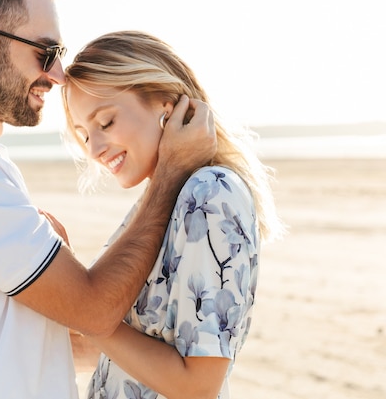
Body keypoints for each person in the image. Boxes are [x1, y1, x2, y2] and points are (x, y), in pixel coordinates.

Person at [0, 0, 217, 398]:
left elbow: (33, 345)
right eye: (46, 52)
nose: (58, 75)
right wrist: (171, 172)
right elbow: (94, 312)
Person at [61, 31, 285, 399]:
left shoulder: (211, 193)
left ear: (167, 105)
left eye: (105, 123)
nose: (95, 149)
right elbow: (118, 352)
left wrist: (90, 311)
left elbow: (198, 386)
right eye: (85, 135)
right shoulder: (161, 202)